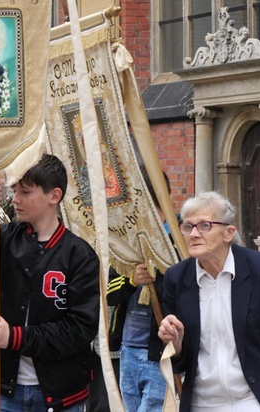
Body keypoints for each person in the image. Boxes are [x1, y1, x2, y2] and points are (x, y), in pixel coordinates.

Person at [0, 154, 100, 411]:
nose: (15, 199)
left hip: (60, 392)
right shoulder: (6, 238)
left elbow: (80, 330)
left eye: (25, 192)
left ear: (53, 196)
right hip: (7, 388)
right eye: (14, 191)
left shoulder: (79, 255)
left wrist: (15, 336)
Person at [158, 191, 260, 412]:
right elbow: (181, 360)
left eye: (204, 225)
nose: (194, 234)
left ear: (228, 232)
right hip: (202, 403)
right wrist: (175, 346)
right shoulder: (176, 278)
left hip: (256, 400)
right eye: (188, 226)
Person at [106, 170, 172, 411]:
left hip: (160, 351)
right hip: (128, 347)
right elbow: (108, 292)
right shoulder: (125, 245)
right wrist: (132, 280)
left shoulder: (176, 243)